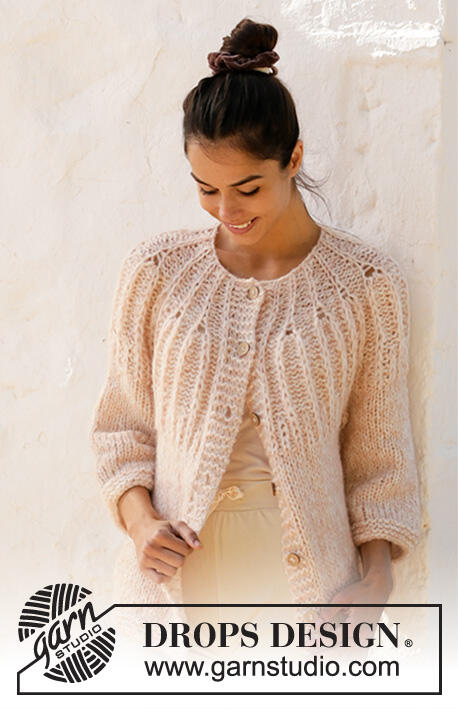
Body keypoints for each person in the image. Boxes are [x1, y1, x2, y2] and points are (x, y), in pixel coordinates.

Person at [90, 17, 422, 652]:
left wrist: (377, 578)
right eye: (206, 189)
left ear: (293, 158)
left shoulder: (367, 284)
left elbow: (378, 455)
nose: (227, 210)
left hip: (309, 585)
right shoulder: (157, 272)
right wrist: (140, 524)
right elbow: (121, 431)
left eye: (247, 188)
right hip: (176, 581)